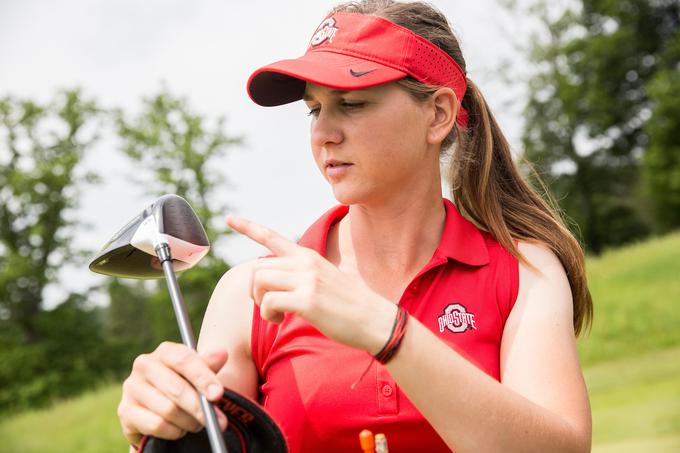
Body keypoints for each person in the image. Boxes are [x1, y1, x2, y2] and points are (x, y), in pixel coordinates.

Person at [117, 1, 593, 452]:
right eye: (314, 108)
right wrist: (158, 427)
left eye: (352, 103)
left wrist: (388, 333)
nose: (324, 132)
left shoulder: (522, 267)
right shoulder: (251, 293)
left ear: (439, 114)